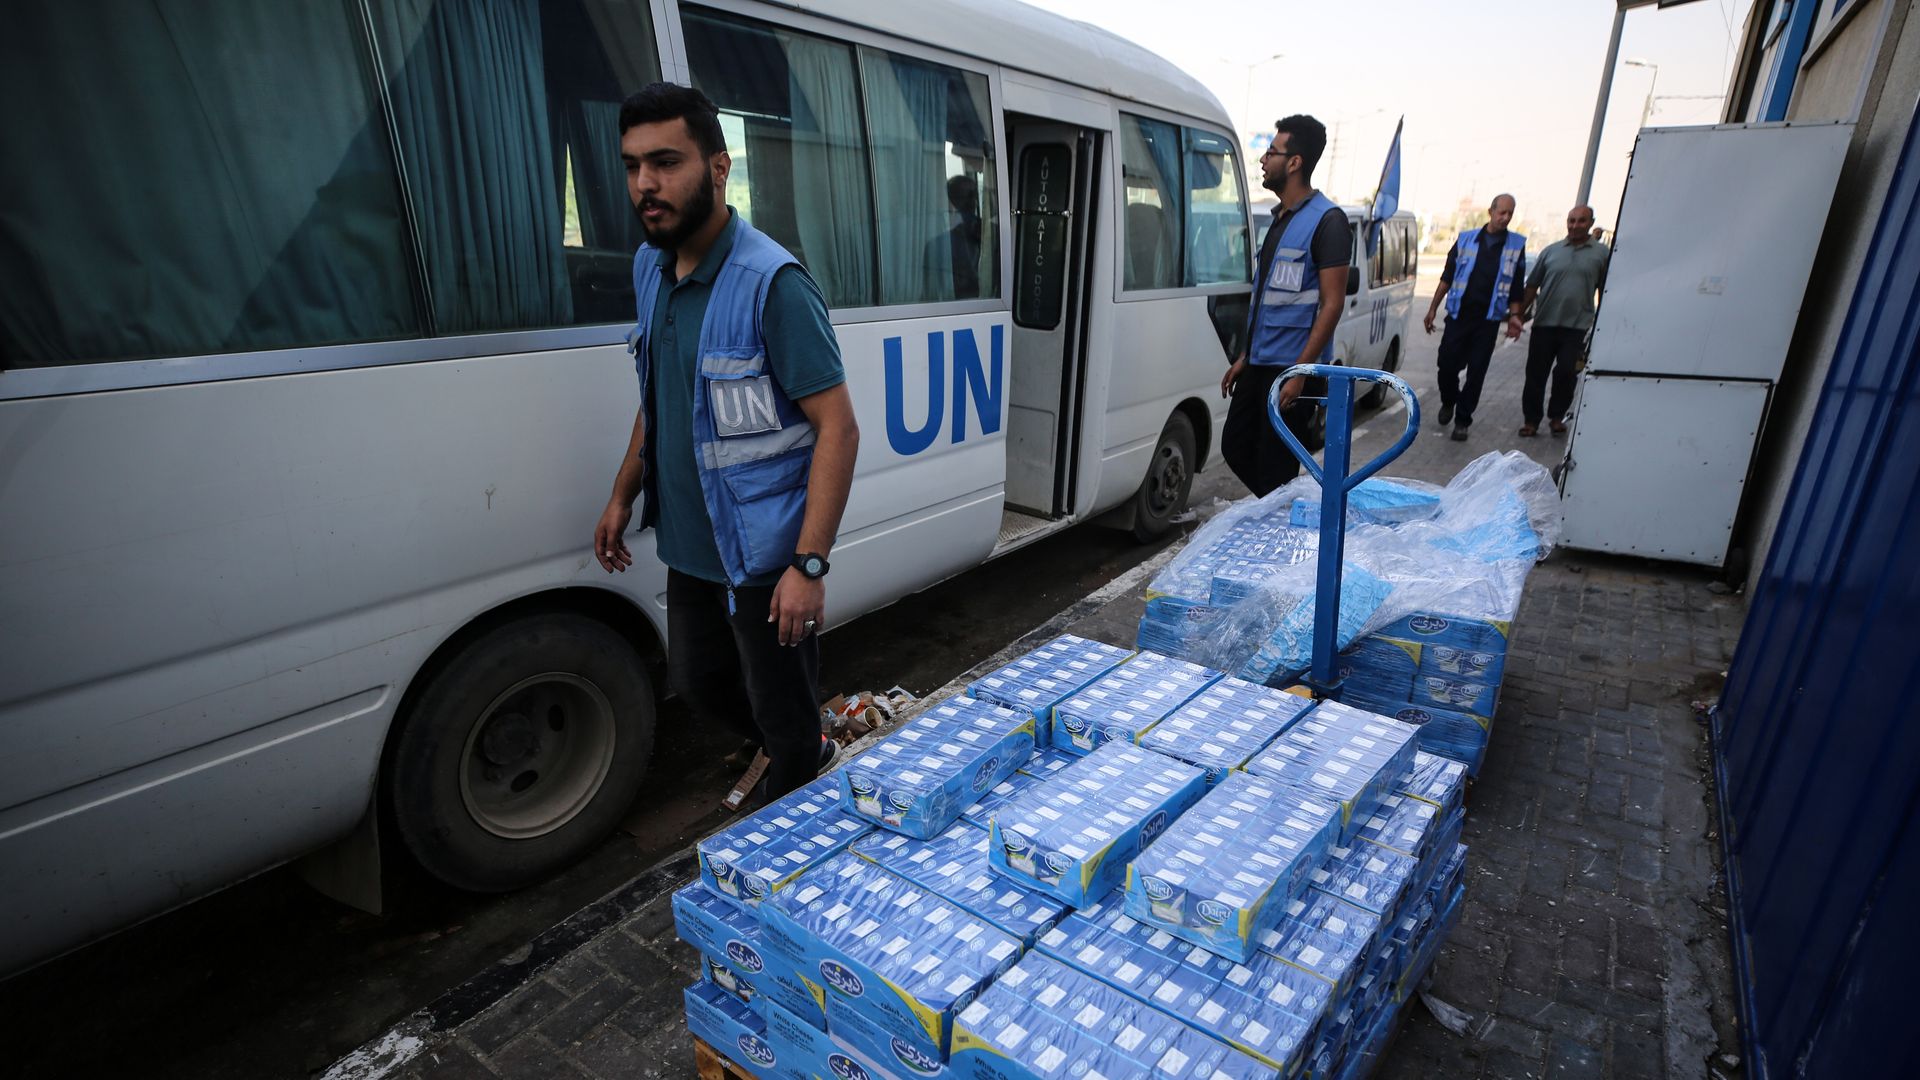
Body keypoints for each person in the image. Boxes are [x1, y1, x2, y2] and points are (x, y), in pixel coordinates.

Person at [593, 83, 860, 806]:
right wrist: (623, 493)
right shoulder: (651, 268)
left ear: (719, 168)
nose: (646, 185)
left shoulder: (772, 285)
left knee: (782, 709)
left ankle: (800, 799)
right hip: (690, 543)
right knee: (698, 684)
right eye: (632, 165)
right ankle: (796, 741)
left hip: (764, 556)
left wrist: (808, 564)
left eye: (666, 162)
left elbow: (839, 427)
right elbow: (660, 398)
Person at [1221, 114, 1353, 496]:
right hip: (1261, 363)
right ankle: (1277, 511)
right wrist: (1247, 355)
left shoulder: (1328, 221)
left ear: (1294, 162)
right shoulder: (1279, 219)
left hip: (1292, 368)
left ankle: (1277, 530)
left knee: (1275, 466)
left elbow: (1331, 305)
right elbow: (1267, 300)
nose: (1263, 160)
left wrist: (1300, 373)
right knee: (1235, 445)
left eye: (1271, 152)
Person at [1423, 195, 1527, 441]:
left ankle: (1462, 420)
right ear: (1490, 211)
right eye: (1501, 212)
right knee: (1446, 366)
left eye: (1510, 214)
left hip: (1488, 322)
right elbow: (1447, 277)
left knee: (1476, 372)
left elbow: (1516, 289)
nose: (1505, 218)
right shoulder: (1466, 239)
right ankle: (1449, 400)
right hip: (1459, 317)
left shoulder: (1516, 246)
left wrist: (1514, 316)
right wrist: (1432, 309)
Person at [1515, 204, 1609, 436]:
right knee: (1536, 374)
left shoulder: (1601, 254)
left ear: (1590, 222)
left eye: (1581, 221)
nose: (1575, 225)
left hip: (1577, 327)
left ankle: (1557, 416)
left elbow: (1605, 290)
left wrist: (1603, 325)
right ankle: (1531, 420)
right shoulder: (1551, 251)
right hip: (1544, 324)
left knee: (1567, 372)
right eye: (1571, 220)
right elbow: (1532, 285)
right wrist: (1516, 316)